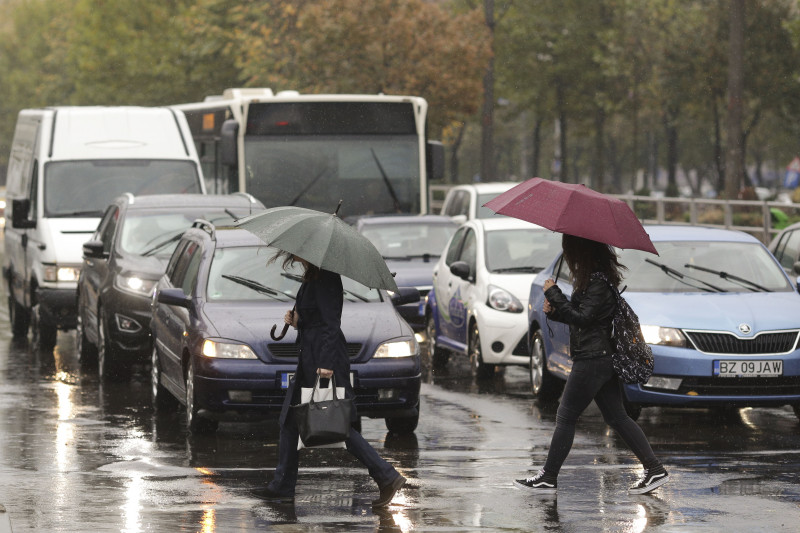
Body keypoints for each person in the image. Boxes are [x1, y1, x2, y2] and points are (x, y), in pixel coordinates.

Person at [513, 234, 669, 495]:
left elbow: (584, 318)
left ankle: (548, 477)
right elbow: (581, 318)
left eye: (570, 253)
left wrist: (553, 291)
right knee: (617, 417)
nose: (569, 260)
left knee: (566, 416)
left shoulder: (598, 283)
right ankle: (654, 470)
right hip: (598, 358)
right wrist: (555, 310)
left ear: (581, 254)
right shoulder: (594, 281)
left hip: (593, 360)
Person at [255, 251, 406, 507]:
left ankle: (386, 476)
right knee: (290, 421)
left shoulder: (325, 278)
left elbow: (330, 323)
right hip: (310, 356)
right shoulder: (313, 275)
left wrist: (325, 365)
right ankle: (282, 485)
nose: (293, 255)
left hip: (325, 359)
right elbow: (315, 319)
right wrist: (298, 321)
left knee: (336, 423)